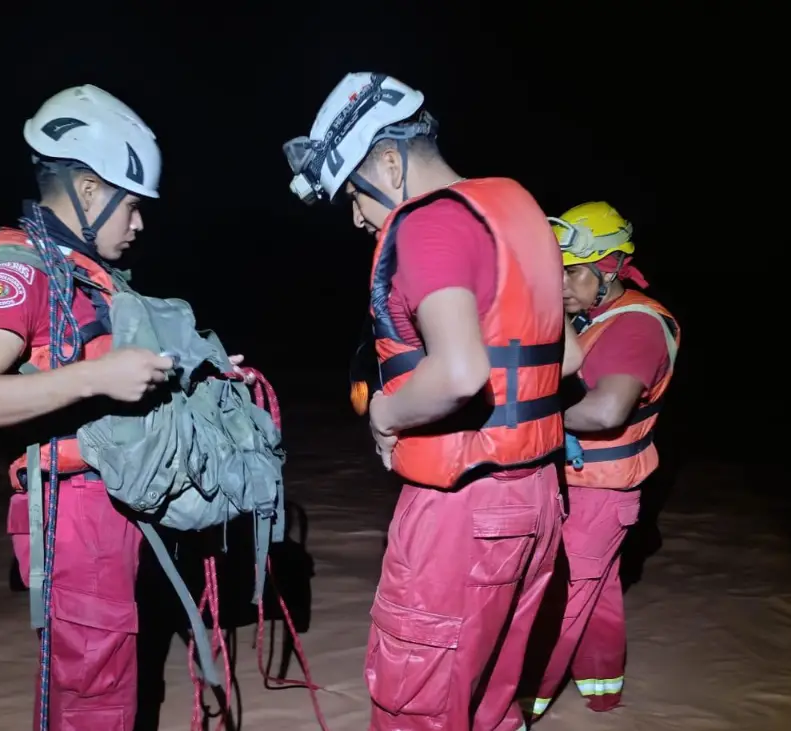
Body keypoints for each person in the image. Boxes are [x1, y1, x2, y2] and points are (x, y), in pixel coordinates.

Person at [0, 84, 247, 730]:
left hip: (117, 509)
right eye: (131, 206)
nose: (139, 225)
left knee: (114, 685)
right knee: (96, 698)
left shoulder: (83, 272)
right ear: (88, 189)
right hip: (70, 515)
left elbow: (110, 375)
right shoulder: (16, 270)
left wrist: (198, 378)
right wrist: (97, 376)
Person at [282, 72, 583, 731]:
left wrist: (384, 415)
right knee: (493, 702)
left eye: (355, 198)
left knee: (414, 700)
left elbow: (458, 372)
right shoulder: (518, 209)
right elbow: (571, 359)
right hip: (537, 497)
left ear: (389, 162)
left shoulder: (426, 225)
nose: (358, 217)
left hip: (463, 509)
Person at [527, 201, 680, 719]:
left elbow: (607, 410)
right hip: (596, 487)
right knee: (597, 591)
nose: (562, 285)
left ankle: (521, 706)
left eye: (573, 273)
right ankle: (602, 691)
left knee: (558, 602)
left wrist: (523, 416)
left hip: (597, 490)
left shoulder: (635, 326)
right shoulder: (594, 316)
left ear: (612, 265)